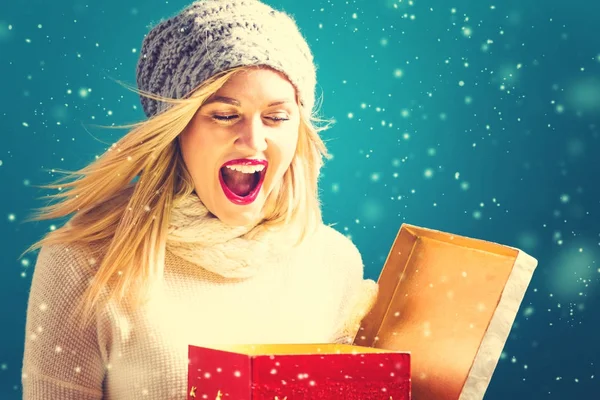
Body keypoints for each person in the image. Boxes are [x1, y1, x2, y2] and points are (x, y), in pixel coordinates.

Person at [21, 0, 378, 398]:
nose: (255, 140)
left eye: (276, 118)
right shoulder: (85, 262)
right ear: (175, 129)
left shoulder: (335, 262)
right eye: (225, 115)